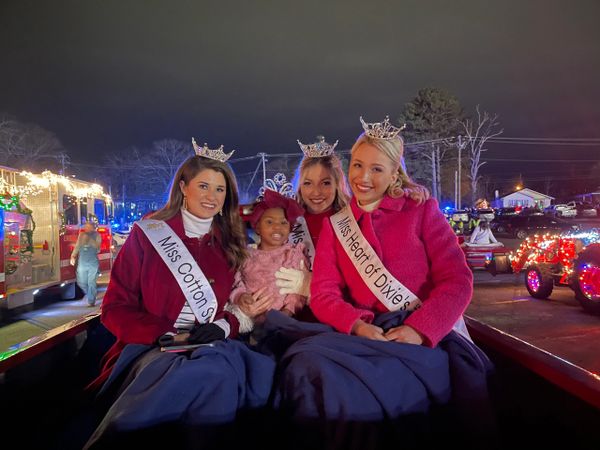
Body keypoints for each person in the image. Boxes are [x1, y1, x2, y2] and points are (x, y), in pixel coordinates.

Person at [271, 117, 494, 449]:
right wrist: (357, 326)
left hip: (423, 335)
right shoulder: (338, 225)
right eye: (358, 165)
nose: (363, 177)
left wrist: (420, 329)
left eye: (376, 169)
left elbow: (457, 281)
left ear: (394, 174)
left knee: (374, 392)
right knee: (305, 365)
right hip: (366, 333)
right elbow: (324, 293)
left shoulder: (421, 210)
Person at [82, 140, 276, 449]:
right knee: (200, 378)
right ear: (183, 187)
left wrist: (229, 322)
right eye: (203, 186)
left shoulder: (230, 244)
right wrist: (166, 335)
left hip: (214, 344)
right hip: (152, 347)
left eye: (220, 189)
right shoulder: (147, 234)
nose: (212, 197)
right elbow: (115, 308)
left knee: (217, 374)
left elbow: (230, 310)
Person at [229, 189, 309, 323]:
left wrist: (286, 313)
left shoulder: (293, 254)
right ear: (257, 227)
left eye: (283, 223)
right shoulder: (246, 255)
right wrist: (241, 297)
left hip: (284, 322)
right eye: (270, 222)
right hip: (249, 319)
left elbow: (299, 292)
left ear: (290, 228)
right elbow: (237, 281)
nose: (277, 227)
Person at [70, 221, 102, 307]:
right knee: (81, 282)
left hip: (92, 262)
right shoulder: (81, 235)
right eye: (85, 226)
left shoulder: (97, 235)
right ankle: (90, 294)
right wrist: (73, 256)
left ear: (92, 227)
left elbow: (98, 249)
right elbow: (77, 246)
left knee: (91, 282)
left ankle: (91, 300)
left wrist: (90, 241)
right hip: (82, 262)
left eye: (88, 227)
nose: (86, 228)